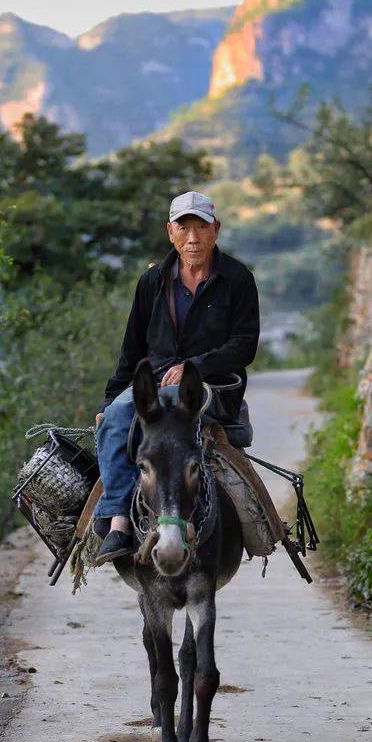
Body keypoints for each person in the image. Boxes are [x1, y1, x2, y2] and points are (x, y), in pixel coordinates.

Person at [93, 189, 260, 562]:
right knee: (118, 417)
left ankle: (190, 519)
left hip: (213, 387)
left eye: (201, 227)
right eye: (184, 228)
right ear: (170, 232)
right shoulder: (151, 282)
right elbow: (131, 349)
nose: (192, 238)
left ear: (215, 230)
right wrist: (110, 400)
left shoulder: (237, 279)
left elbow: (244, 345)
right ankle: (118, 518)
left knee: (168, 411)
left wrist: (195, 367)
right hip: (155, 381)